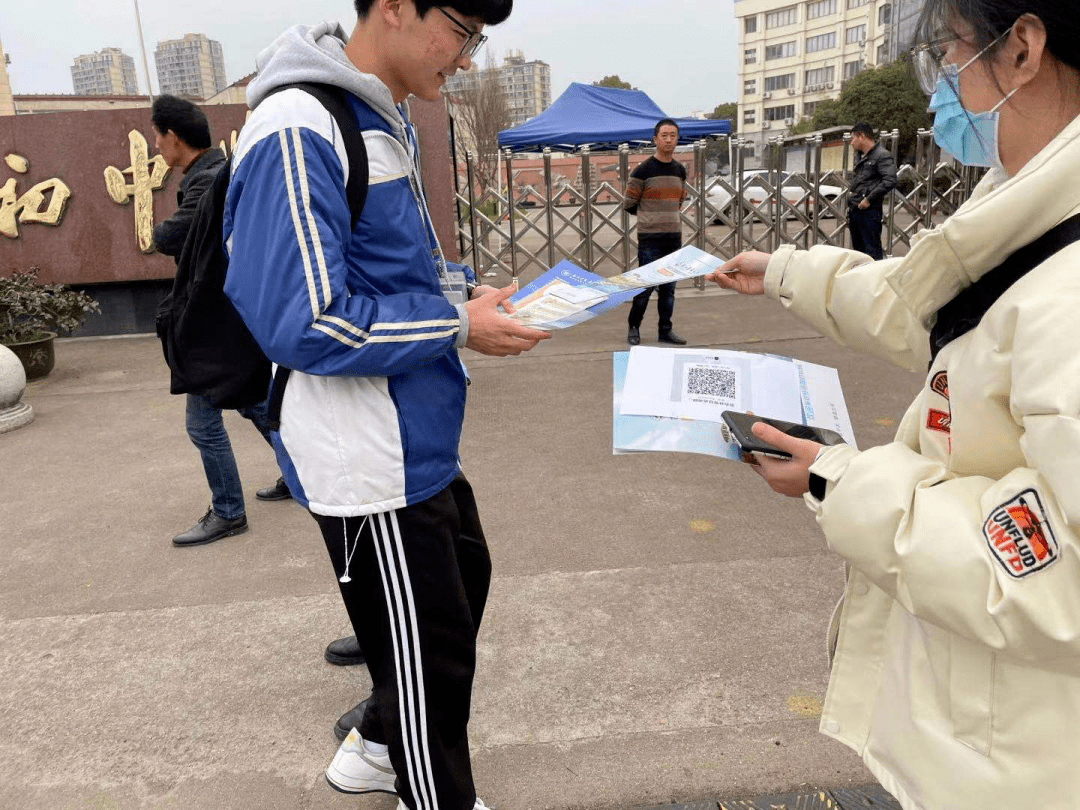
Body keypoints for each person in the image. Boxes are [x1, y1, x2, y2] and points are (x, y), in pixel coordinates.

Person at [705, 1, 1080, 807]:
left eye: (949, 49)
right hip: (993, 733)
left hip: (1025, 765)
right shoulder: (1027, 195)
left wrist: (835, 479)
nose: (941, 80)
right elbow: (925, 302)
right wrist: (781, 272)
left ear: (1022, 49)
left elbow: (1062, 579)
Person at [221, 2, 549, 808]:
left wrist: (465, 294)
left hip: (415, 431)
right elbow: (303, 318)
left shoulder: (377, 113)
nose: (467, 58)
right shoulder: (298, 123)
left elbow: (384, 270)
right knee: (431, 663)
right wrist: (456, 324)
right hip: (368, 454)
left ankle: (372, 746)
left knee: (463, 584)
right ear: (399, 7)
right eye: (465, 32)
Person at [149, 95, 290, 549]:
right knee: (255, 404)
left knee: (203, 422)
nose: (155, 146)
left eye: (158, 136)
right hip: (230, 318)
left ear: (174, 137)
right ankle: (302, 473)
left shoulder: (208, 179)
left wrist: (158, 232)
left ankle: (229, 512)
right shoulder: (213, 173)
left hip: (215, 325)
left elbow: (169, 237)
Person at [623, 118, 688, 346]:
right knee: (646, 287)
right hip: (650, 239)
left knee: (669, 290)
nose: (669, 139)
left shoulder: (680, 170)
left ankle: (665, 330)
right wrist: (651, 216)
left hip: (673, 237)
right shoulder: (643, 171)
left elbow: (680, 200)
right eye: (664, 135)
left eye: (673, 135)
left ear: (677, 139)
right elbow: (629, 203)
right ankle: (634, 327)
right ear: (655, 139)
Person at [846, 122, 897, 260]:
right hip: (855, 210)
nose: (851, 142)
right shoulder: (859, 156)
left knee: (872, 252)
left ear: (862, 136)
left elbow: (890, 180)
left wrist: (868, 199)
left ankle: (876, 280)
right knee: (859, 254)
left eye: (853, 138)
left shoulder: (882, 155)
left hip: (869, 212)